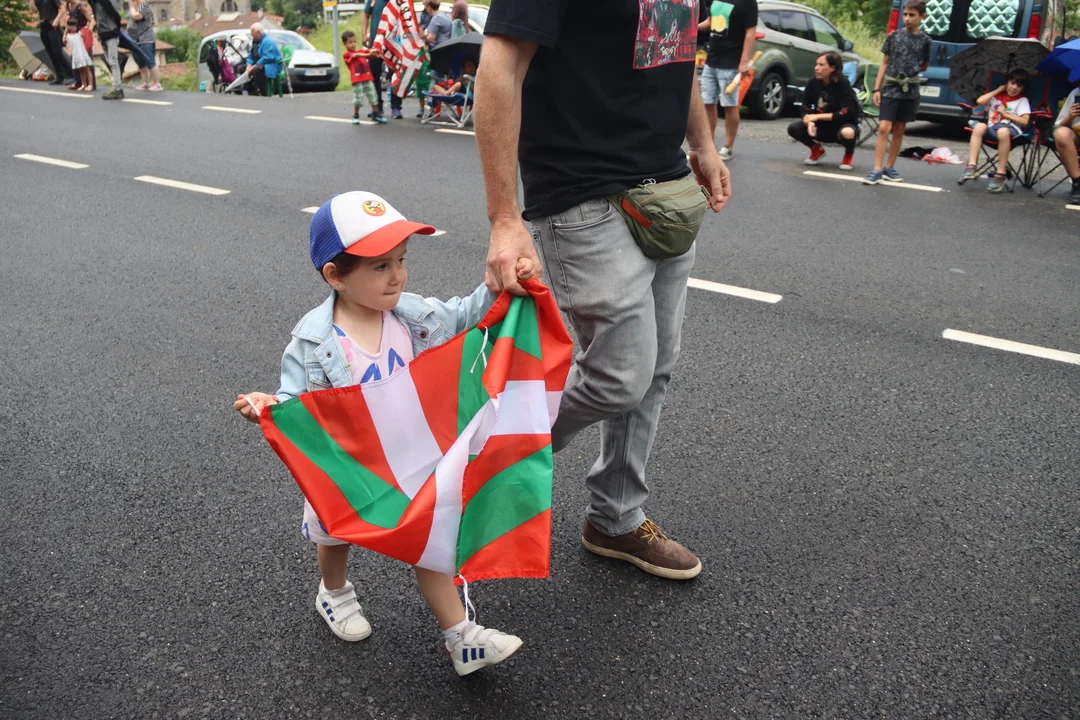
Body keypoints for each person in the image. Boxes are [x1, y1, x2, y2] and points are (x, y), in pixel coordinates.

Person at [476, 0, 730, 580]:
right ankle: (484, 457)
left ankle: (615, 517)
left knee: (655, 368)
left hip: (666, 188)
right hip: (581, 191)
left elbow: (677, 50)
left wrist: (702, 144)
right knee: (619, 378)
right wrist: (504, 217)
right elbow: (501, 62)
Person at [234, 191, 534, 676]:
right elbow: (296, 402)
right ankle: (334, 593)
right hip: (351, 466)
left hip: (410, 457)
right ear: (336, 275)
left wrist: (500, 284)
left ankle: (461, 637)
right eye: (380, 267)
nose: (398, 276)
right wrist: (269, 406)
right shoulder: (315, 341)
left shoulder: (412, 314)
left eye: (401, 260)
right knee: (334, 532)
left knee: (431, 540)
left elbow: (466, 314)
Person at [864, 0, 930, 185]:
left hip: (910, 89)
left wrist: (912, 70)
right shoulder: (894, 36)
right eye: (905, 14)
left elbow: (925, 64)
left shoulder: (925, 40)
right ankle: (876, 168)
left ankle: (889, 167)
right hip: (891, 86)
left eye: (912, 15)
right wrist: (877, 88)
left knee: (900, 128)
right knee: (884, 127)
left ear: (922, 17)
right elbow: (885, 62)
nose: (907, 18)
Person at [697, 0, 758, 159]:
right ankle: (709, 144)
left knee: (729, 105)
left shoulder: (747, 3)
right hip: (712, 59)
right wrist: (691, 27)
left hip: (731, 62)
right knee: (708, 102)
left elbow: (750, 32)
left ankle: (727, 146)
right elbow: (711, 21)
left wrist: (744, 62)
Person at [960, 69, 1031, 193]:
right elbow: (980, 101)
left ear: (1023, 88)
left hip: (1011, 131)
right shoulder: (996, 98)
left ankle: (1001, 173)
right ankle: (971, 166)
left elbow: (1025, 121)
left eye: (1019, 85)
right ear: (1007, 83)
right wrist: (998, 90)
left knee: (1002, 131)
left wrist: (1006, 114)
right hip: (993, 129)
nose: (1014, 87)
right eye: (1012, 83)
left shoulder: (1022, 100)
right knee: (979, 126)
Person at [788, 51, 861, 170]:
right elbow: (805, 107)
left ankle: (848, 155)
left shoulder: (843, 83)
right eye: (816, 64)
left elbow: (845, 113)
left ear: (832, 68)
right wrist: (809, 122)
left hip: (841, 125)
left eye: (821, 65)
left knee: (847, 132)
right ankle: (816, 150)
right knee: (794, 128)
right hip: (821, 126)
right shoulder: (812, 82)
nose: (816, 68)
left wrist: (816, 117)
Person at [87, 0, 152, 100]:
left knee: (113, 61)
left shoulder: (104, 2)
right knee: (110, 61)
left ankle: (117, 89)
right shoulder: (94, 3)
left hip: (111, 33)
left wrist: (115, 28)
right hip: (103, 34)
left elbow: (116, 15)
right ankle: (116, 84)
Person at [362, 0, 403, 120]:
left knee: (394, 75)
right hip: (376, 43)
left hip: (393, 43)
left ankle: (396, 107)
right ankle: (377, 106)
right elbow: (365, 15)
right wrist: (364, 34)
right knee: (374, 74)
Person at [342, 30, 386, 124]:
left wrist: (375, 50)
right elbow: (357, 55)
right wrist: (368, 54)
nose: (353, 44)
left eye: (354, 42)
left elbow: (368, 51)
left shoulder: (361, 51)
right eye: (350, 42)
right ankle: (356, 115)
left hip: (367, 78)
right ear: (344, 44)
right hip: (357, 80)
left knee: (373, 95)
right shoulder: (346, 54)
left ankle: (376, 113)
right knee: (358, 98)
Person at [1050, 83, 1080, 204]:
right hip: (1076, 133)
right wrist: (1071, 116)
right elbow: (1060, 125)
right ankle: (1077, 183)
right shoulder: (1077, 93)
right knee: (1061, 133)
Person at [36, 0, 74, 86]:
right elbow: (33, 9)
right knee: (51, 53)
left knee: (57, 52)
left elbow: (62, 8)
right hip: (43, 26)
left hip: (53, 26)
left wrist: (57, 20)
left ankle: (71, 74)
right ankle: (59, 76)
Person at [126, 0, 161, 91]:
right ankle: (146, 82)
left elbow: (137, 16)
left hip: (145, 39)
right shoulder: (133, 7)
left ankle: (156, 83)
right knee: (140, 63)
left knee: (150, 61)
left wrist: (132, 7)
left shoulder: (144, 5)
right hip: (134, 40)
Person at [245, 22, 283, 97]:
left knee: (257, 69)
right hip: (259, 63)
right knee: (241, 68)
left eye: (252, 32)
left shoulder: (267, 42)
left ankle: (264, 92)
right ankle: (251, 91)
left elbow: (268, 57)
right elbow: (250, 56)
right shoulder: (255, 42)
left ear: (258, 32)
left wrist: (254, 66)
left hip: (271, 64)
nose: (251, 34)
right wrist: (248, 65)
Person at [63, 17, 94, 92]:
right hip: (76, 54)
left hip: (82, 53)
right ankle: (83, 84)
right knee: (81, 71)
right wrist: (65, 34)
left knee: (87, 69)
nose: (71, 27)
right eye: (70, 25)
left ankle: (90, 84)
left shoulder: (80, 33)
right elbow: (66, 44)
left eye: (73, 25)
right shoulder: (68, 36)